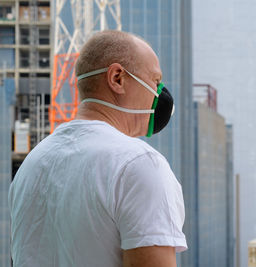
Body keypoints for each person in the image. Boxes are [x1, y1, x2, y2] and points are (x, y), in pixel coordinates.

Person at [8, 30, 187, 267]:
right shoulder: (138, 165)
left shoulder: (32, 163)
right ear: (117, 79)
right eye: (155, 81)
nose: (160, 93)